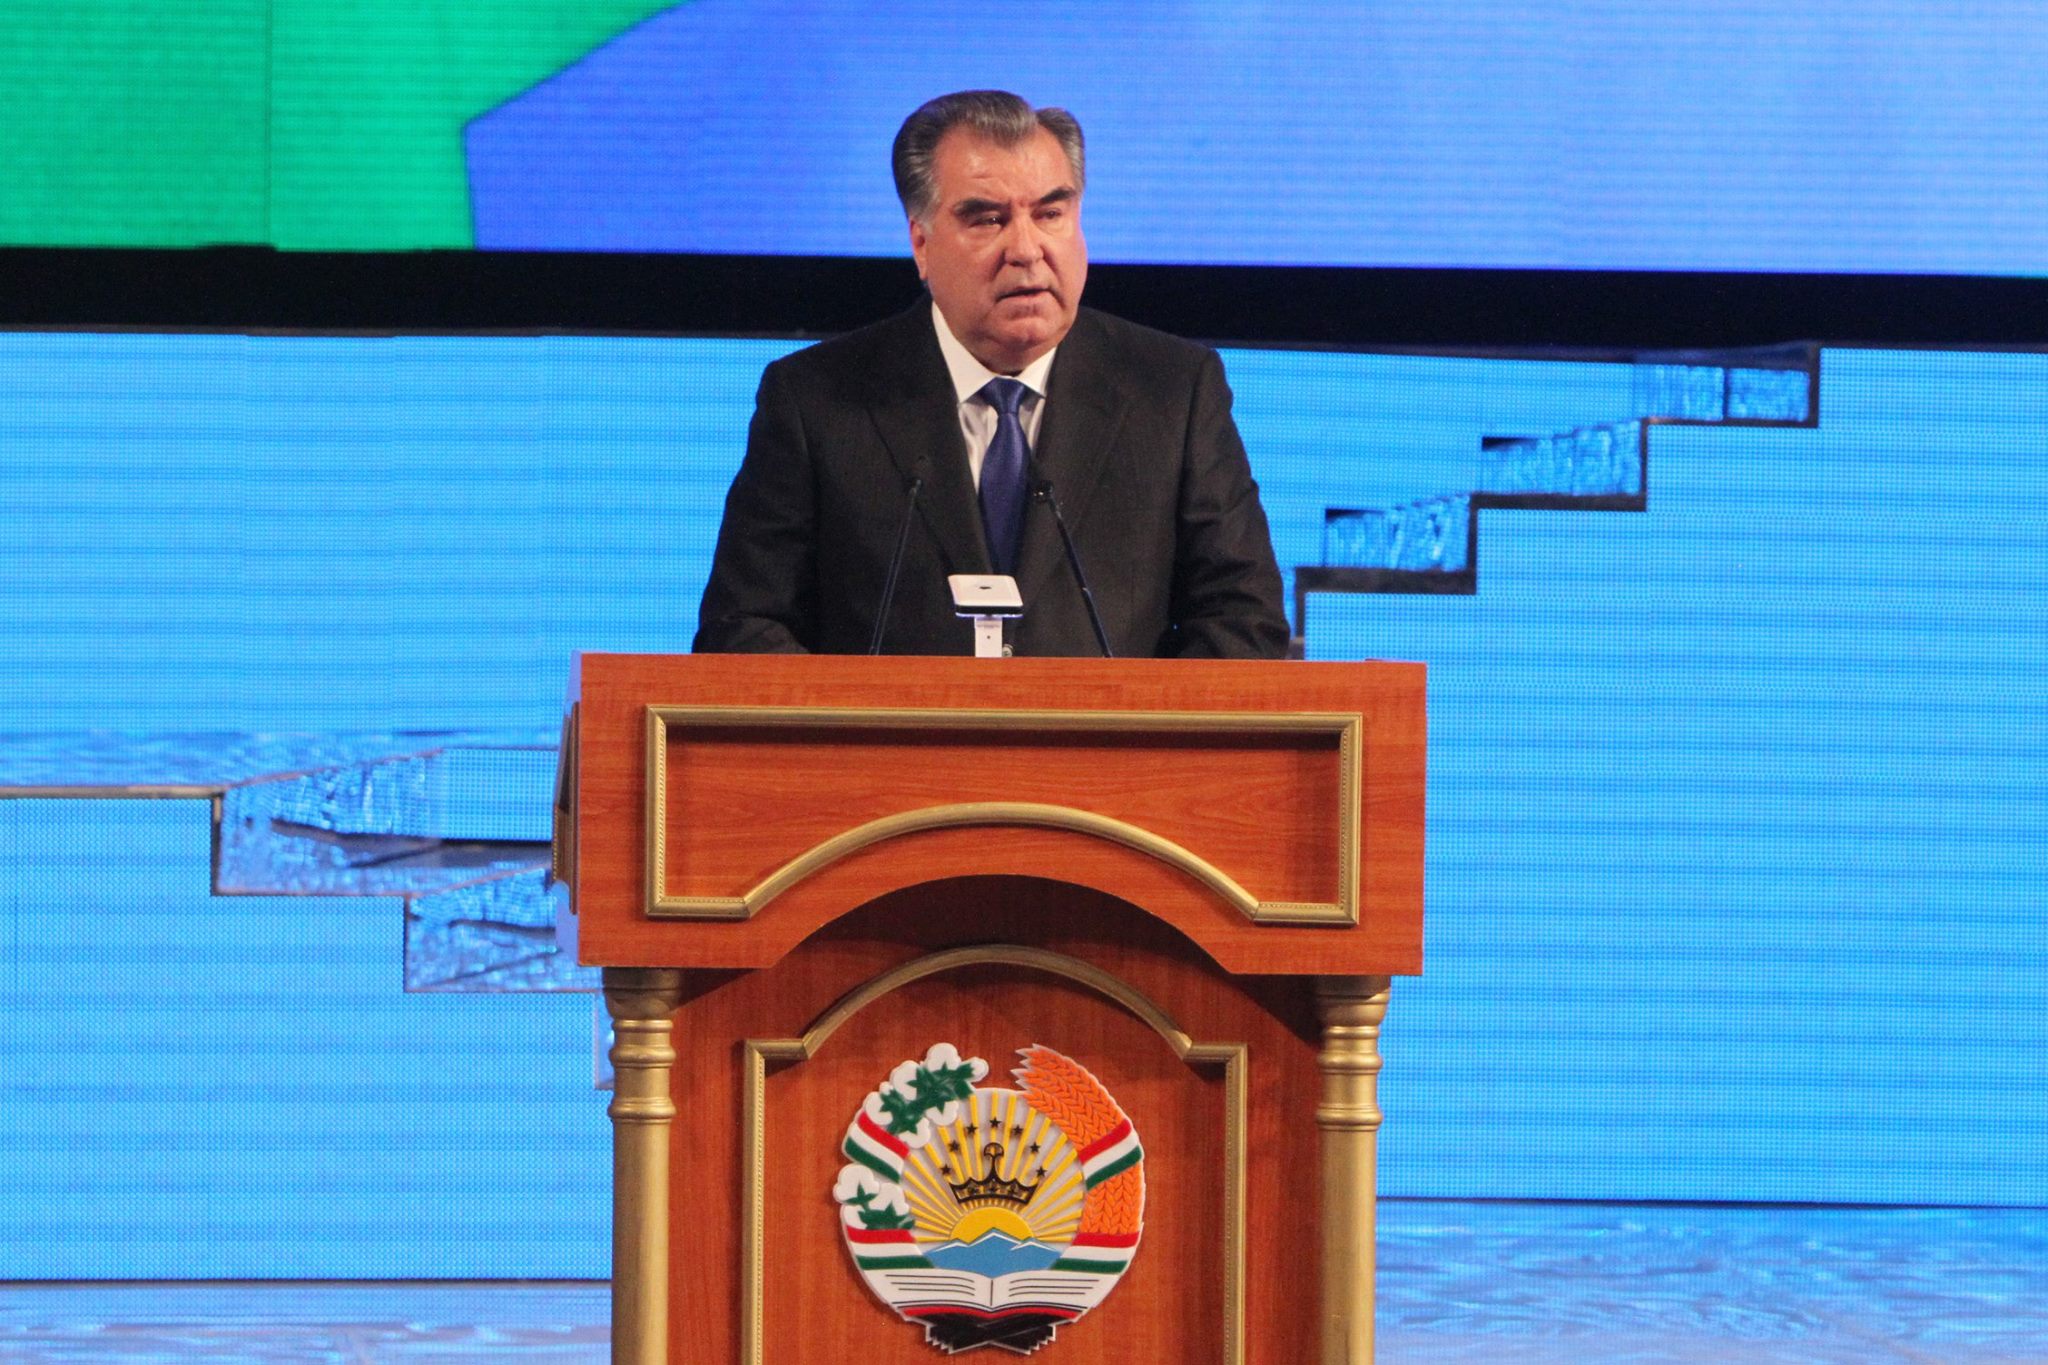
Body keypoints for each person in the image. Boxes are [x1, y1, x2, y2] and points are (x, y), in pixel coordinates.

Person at [693, 90, 1289, 658]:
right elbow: (742, 628)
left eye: (1050, 213)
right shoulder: (815, 399)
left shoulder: (1174, 389)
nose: (1027, 249)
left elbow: (1243, 623)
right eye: (987, 220)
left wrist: (1132, 726)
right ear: (921, 244)